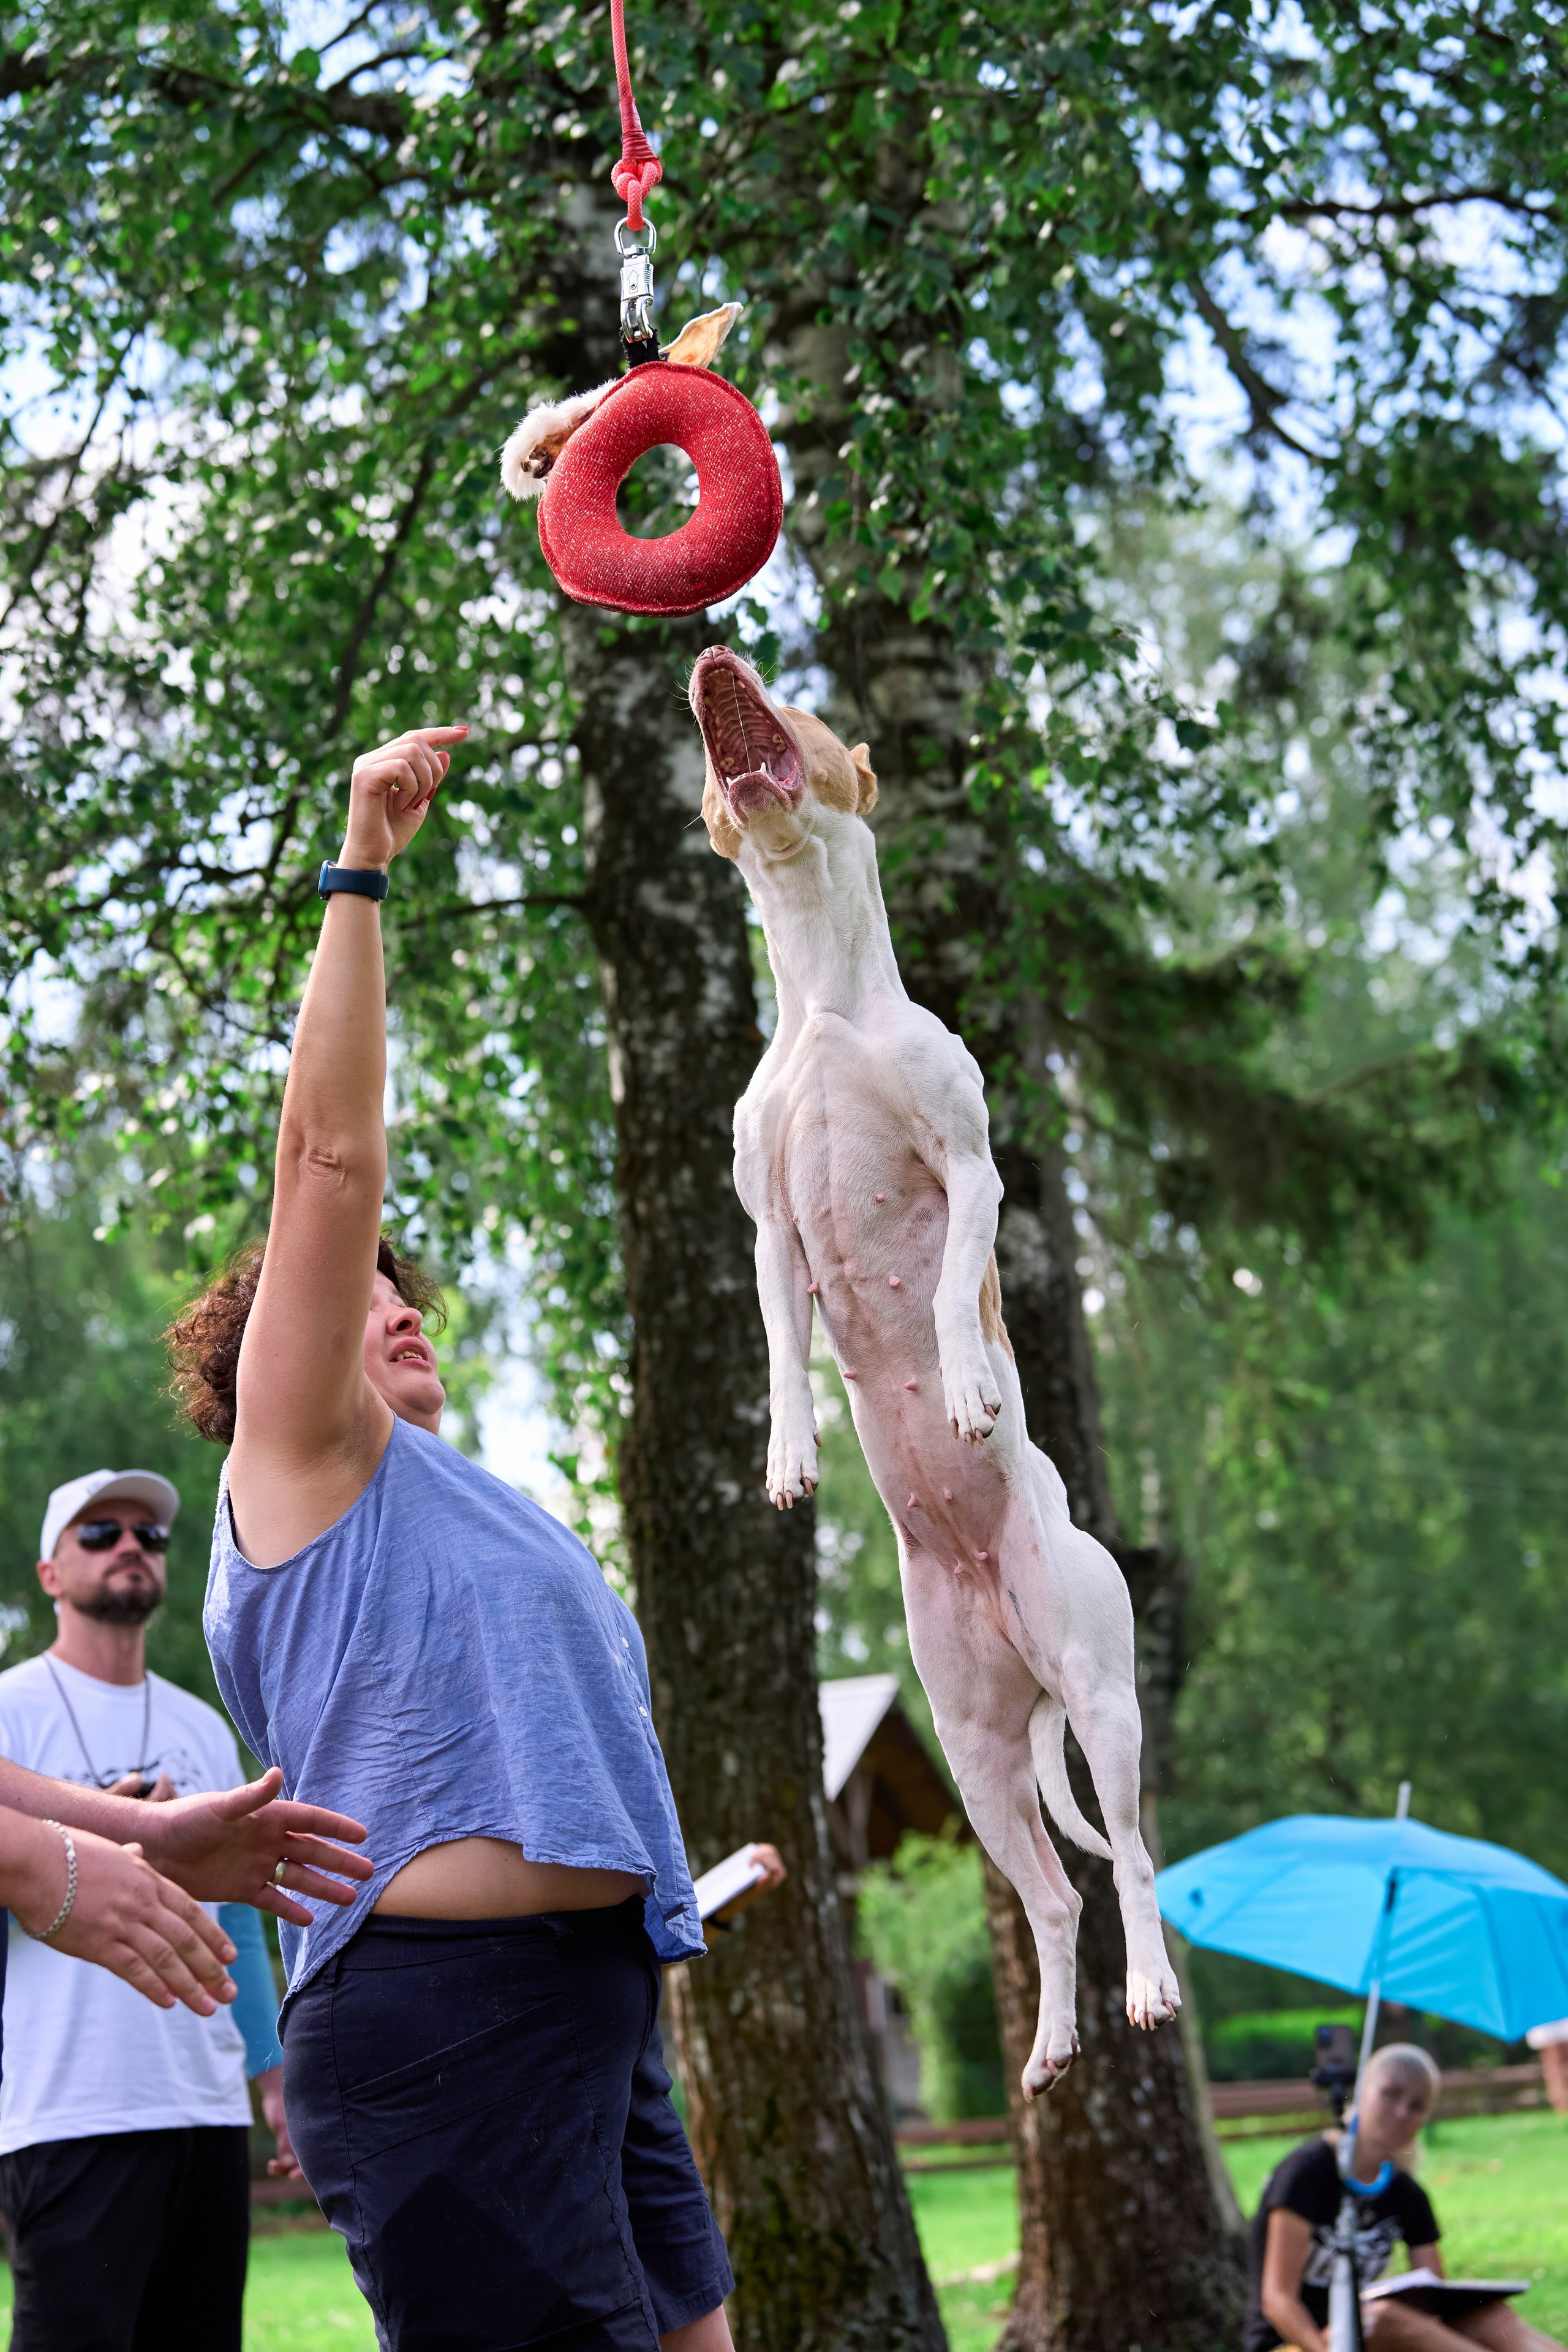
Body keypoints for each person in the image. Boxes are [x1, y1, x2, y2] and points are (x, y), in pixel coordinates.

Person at [172, 726, 739, 2352]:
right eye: (359, 1291)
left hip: (593, 2009)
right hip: (444, 2031)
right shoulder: (298, 1458)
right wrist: (360, 863)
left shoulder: (476, 1503)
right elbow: (328, 1159)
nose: (398, 1302)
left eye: (405, 1288)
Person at [0, 1468, 306, 2351]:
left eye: (150, 1534)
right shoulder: (10, 1711)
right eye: (101, 1533)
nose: (131, 1545)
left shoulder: (202, 1726)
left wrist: (272, 2078)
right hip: (67, 2110)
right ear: (50, 1573)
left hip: (205, 2110)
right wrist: (83, 1848)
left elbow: (239, 1917)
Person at [1248, 2041, 1565, 2352]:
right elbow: (1278, 2300)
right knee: (1380, 2320)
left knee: (1492, 2317)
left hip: (1364, 2336)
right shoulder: (1306, 2172)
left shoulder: (1407, 2194)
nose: (1401, 2113)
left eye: (1416, 2106)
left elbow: (1435, 2299)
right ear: (1362, 2092)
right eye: (1391, 2094)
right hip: (1296, 2343)